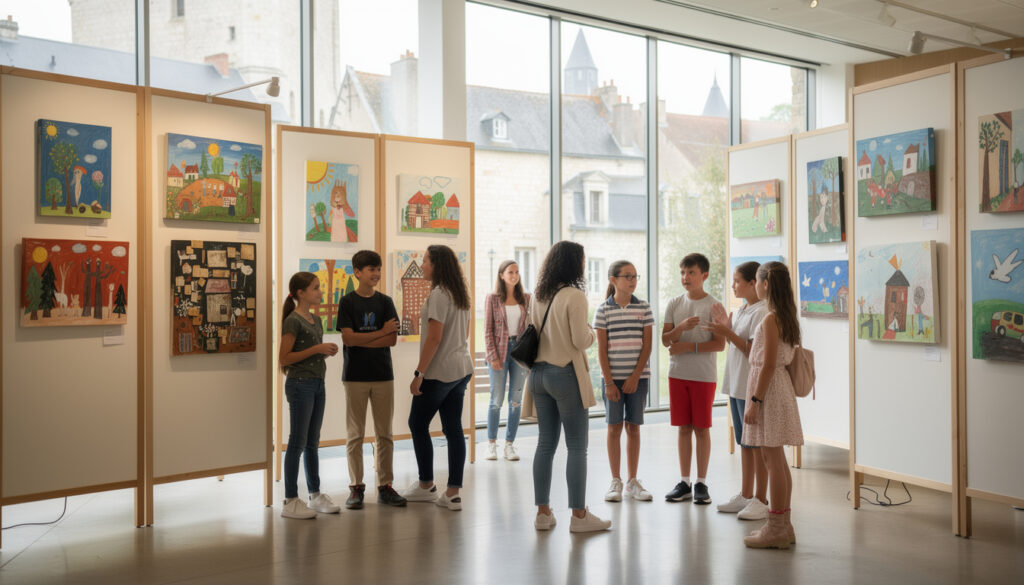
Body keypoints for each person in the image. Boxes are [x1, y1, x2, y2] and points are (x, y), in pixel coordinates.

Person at [522, 241, 611, 533]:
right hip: (565, 375)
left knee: (545, 444)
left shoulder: (538, 295)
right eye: (583, 260)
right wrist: (591, 332)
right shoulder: (575, 296)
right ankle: (579, 516)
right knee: (576, 446)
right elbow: (580, 340)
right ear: (575, 263)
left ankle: (543, 513)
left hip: (538, 375)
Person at [403, 245, 474, 511]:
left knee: (417, 423)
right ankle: (453, 492)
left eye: (425, 261)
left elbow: (434, 338)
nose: (422, 266)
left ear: (437, 265)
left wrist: (419, 374)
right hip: (461, 369)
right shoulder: (459, 293)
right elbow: (464, 334)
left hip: (439, 373)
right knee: (454, 429)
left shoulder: (439, 295)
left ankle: (426, 485)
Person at [336, 250, 407, 509]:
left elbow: (392, 340)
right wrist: (379, 332)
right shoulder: (347, 302)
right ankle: (356, 488)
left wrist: (368, 337)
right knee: (355, 435)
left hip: (382, 376)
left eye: (378, 269)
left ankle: (385, 485)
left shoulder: (386, 302)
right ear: (357, 272)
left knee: (384, 434)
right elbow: (348, 339)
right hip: (354, 376)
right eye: (371, 269)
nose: (376, 274)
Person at [742, 261, 804, 549]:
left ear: (765, 283)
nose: (755, 285)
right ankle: (783, 525)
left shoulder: (769, 319)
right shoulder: (786, 316)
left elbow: (766, 365)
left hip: (769, 391)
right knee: (778, 460)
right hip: (781, 390)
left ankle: (776, 526)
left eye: (756, 280)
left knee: (771, 460)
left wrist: (755, 401)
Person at [705, 261, 769, 521]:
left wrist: (726, 331)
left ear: (753, 283)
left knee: (757, 444)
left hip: (749, 386)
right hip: (736, 385)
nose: (732, 286)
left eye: (736, 281)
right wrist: (725, 328)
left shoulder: (761, 312)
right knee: (744, 442)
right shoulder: (743, 309)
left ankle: (760, 499)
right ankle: (745, 493)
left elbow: (753, 350)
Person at [662, 253, 726, 505]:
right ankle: (684, 482)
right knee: (683, 428)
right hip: (677, 375)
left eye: (690, 273)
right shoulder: (674, 303)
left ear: (704, 276)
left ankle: (701, 482)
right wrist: (681, 330)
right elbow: (666, 340)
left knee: (701, 428)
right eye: (682, 273)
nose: (685, 278)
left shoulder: (714, 306)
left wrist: (689, 347)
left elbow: (720, 345)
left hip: (703, 376)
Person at [279, 271, 341, 519]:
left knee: (313, 442)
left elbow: (307, 353)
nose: (320, 292)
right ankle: (291, 499)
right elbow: (284, 358)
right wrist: (318, 348)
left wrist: (324, 352)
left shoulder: (316, 319)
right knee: (297, 442)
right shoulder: (292, 321)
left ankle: (314, 494)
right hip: (300, 384)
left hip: (317, 383)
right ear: (301, 293)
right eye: (315, 288)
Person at [596, 260, 654, 503]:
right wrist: (609, 382)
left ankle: (632, 481)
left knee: (633, 427)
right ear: (613, 280)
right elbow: (601, 349)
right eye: (627, 276)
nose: (632, 280)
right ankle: (616, 480)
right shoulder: (603, 310)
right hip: (612, 381)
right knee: (613, 428)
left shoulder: (644, 308)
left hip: (637, 380)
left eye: (635, 276)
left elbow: (647, 346)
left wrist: (634, 377)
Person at [483, 260, 530, 462]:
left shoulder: (526, 298)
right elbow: (487, 330)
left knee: (516, 401)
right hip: (499, 353)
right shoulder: (492, 299)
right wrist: (493, 356)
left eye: (517, 272)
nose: (514, 275)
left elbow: (530, 328)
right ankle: (491, 444)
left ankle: (509, 445)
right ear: (501, 275)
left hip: (519, 353)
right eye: (510, 272)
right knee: (496, 400)